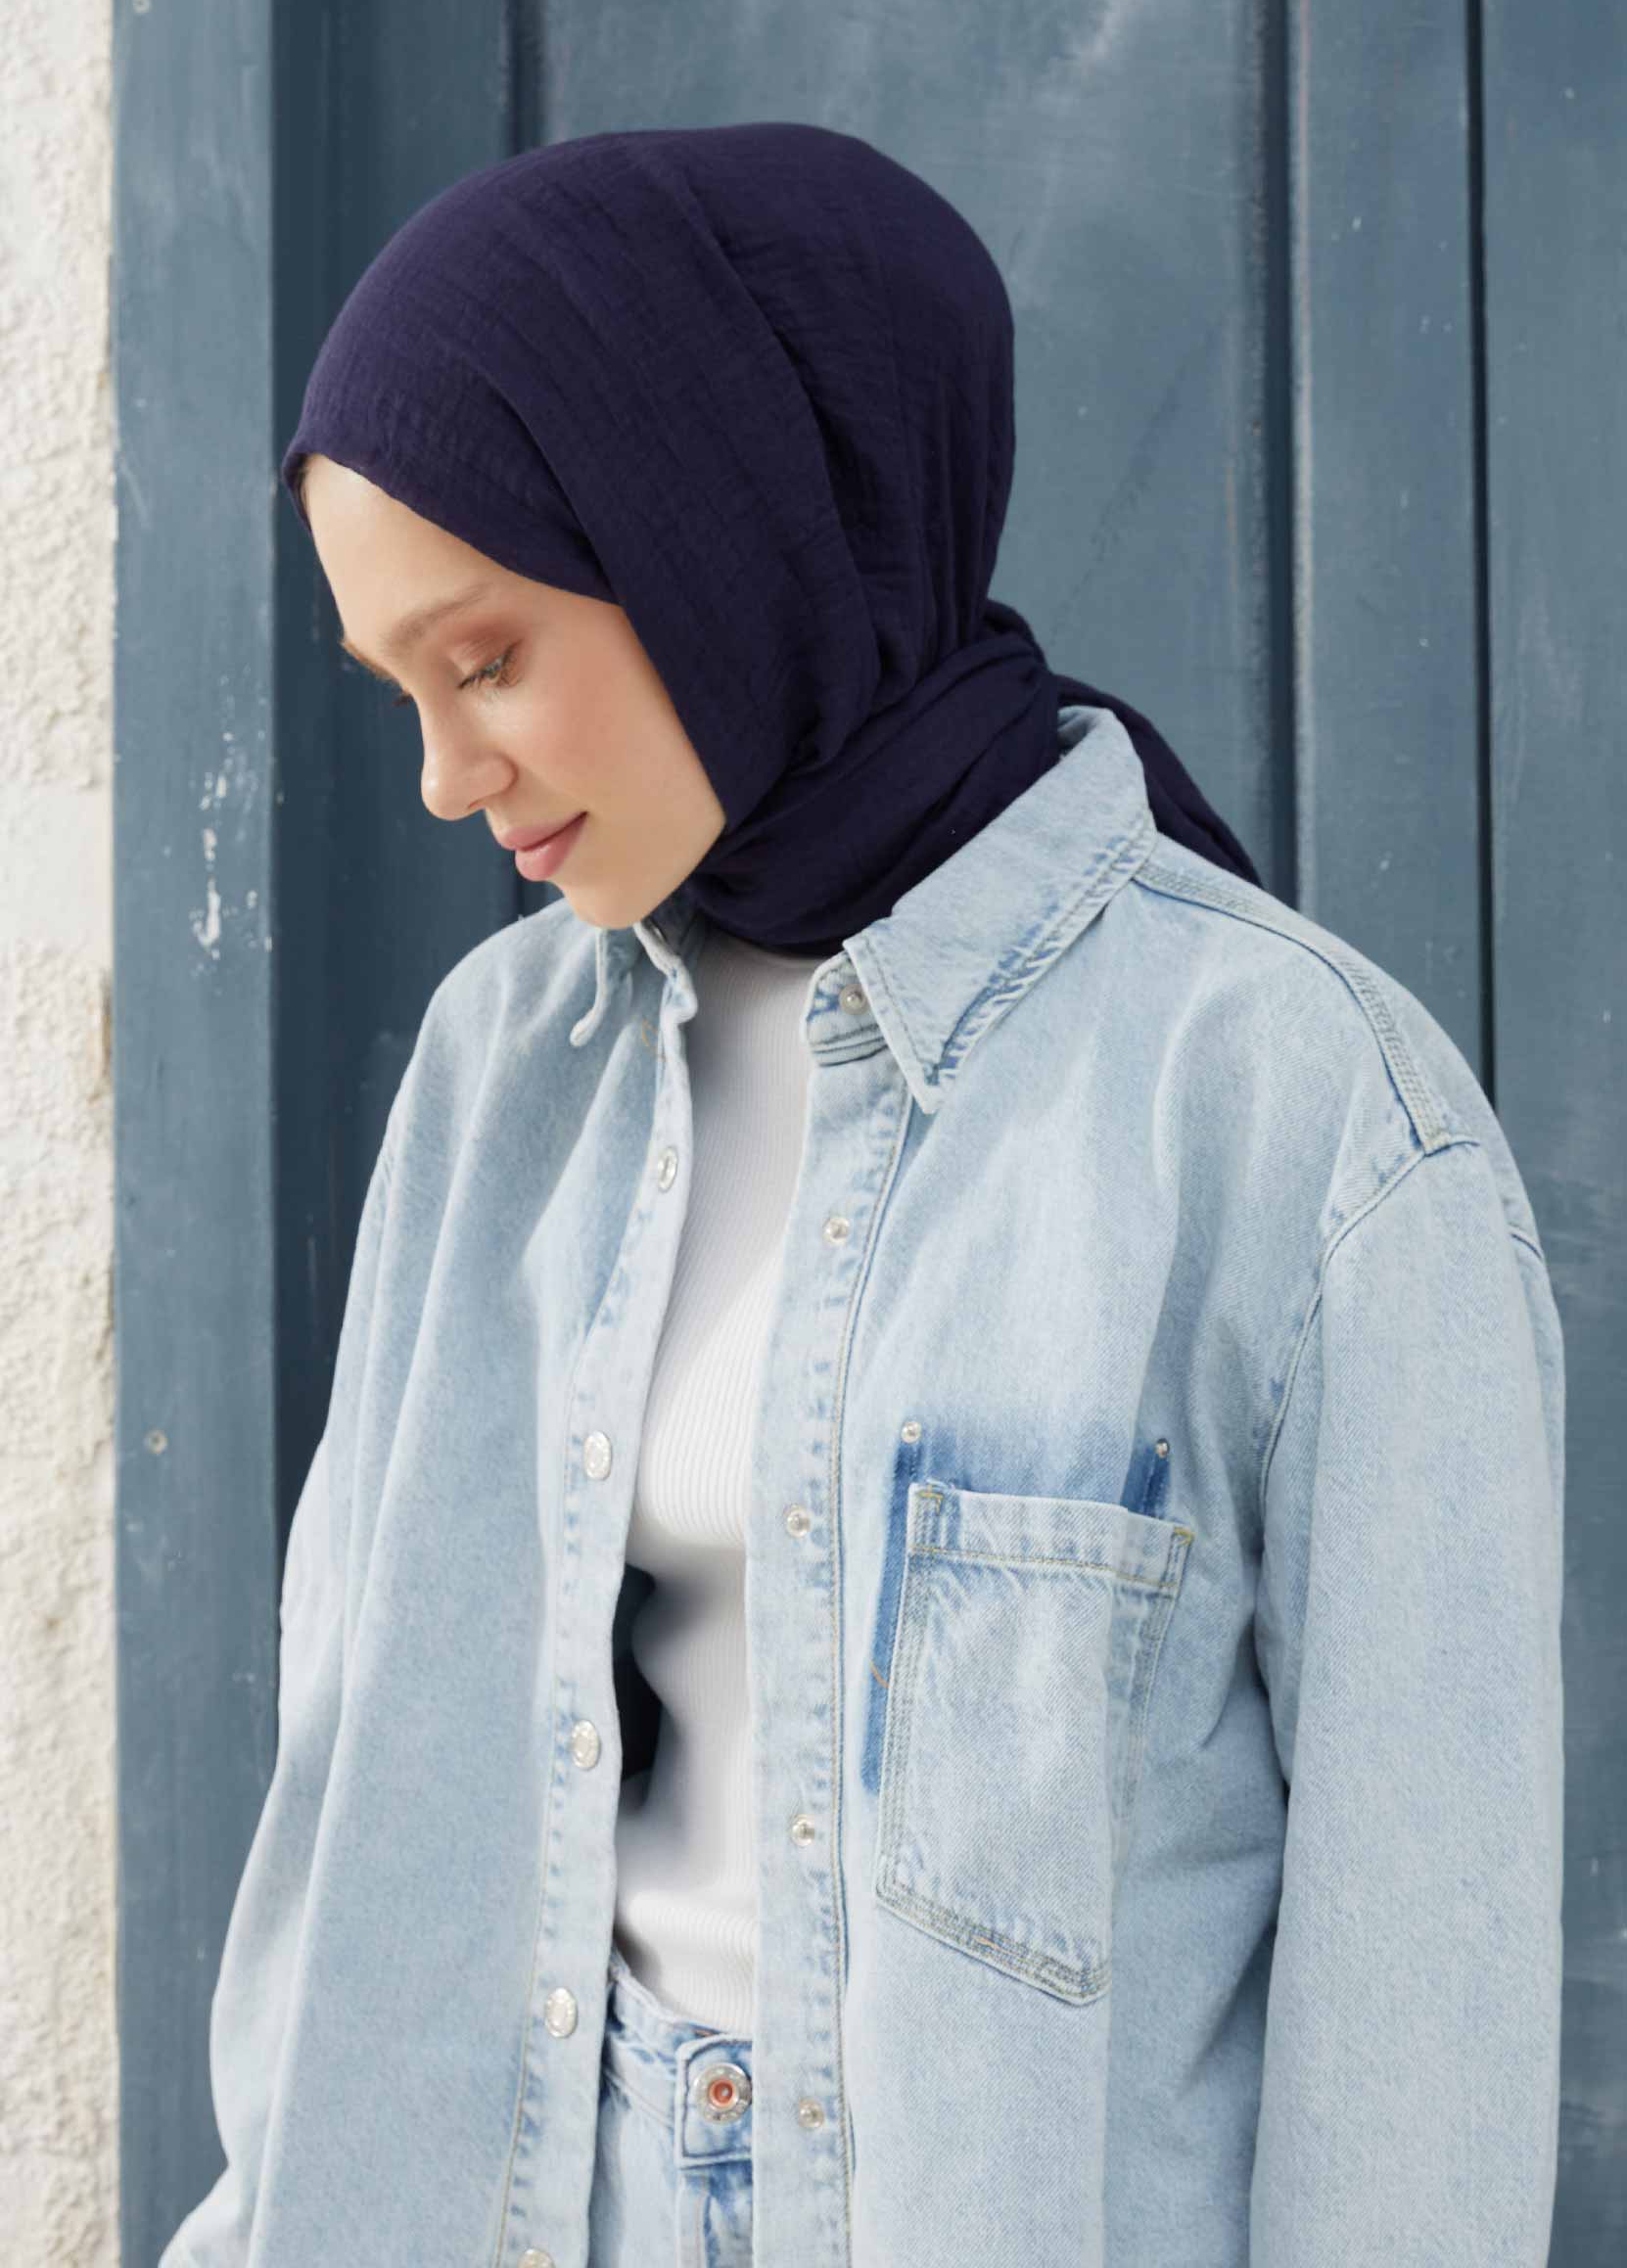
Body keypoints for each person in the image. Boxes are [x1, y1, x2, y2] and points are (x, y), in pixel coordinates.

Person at [161, 123, 1564, 2268]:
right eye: (405, 695)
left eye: (488, 658)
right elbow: (341, 1828)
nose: (446, 777)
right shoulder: (499, 1071)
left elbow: (1418, 2059)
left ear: (716, 537)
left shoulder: (1308, 1122)